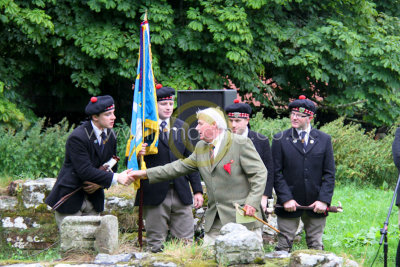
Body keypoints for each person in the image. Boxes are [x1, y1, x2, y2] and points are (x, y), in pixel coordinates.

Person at [130, 107, 267, 246]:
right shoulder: (201, 147)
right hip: (215, 220)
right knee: (207, 258)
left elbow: (260, 173)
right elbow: (177, 167)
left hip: (242, 217)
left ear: (213, 124)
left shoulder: (240, 143)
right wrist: (144, 174)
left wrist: (252, 202)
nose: (196, 128)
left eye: (200, 123)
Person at [45, 95, 133, 227]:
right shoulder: (78, 137)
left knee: (92, 245)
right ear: (95, 117)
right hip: (71, 198)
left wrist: (100, 184)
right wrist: (117, 178)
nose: (113, 117)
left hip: (94, 200)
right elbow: (84, 171)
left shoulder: (111, 135)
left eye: (113, 113)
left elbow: (111, 165)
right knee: (73, 246)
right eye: (108, 114)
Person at [135, 86, 204, 253]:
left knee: (186, 242)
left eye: (170, 103)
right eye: (163, 103)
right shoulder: (143, 128)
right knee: (155, 244)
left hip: (181, 191)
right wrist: (138, 155)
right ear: (154, 105)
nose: (168, 107)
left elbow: (191, 161)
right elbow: (130, 162)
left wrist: (197, 190)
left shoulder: (182, 126)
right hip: (155, 191)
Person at [272, 95, 335, 252]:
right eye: (292, 114)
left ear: (310, 117)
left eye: (300, 115)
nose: (294, 118)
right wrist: (286, 198)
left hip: (316, 204)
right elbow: (276, 172)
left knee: (315, 247)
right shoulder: (280, 139)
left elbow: (329, 173)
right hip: (288, 203)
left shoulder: (324, 139)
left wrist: (323, 200)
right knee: (283, 246)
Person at [225, 99, 274, 213]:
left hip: (254, 195)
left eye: (237, 121)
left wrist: (264, 196)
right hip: (230, 197)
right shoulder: (223, 140)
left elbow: (269, 170)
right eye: (231, 120)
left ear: (247, 120)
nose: (233, 125)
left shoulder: (261, 140)